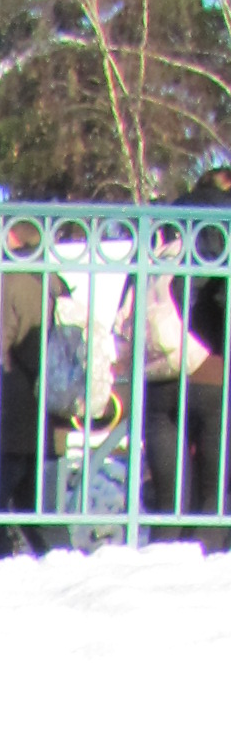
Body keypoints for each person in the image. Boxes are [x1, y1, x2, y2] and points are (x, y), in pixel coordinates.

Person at [140, 166, 231, 548]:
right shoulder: (223, 224)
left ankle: (161, 566)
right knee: (214, 495)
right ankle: (202, 572)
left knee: (168, 495)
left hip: (160, 370)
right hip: (212, 370)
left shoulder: (160, 227)